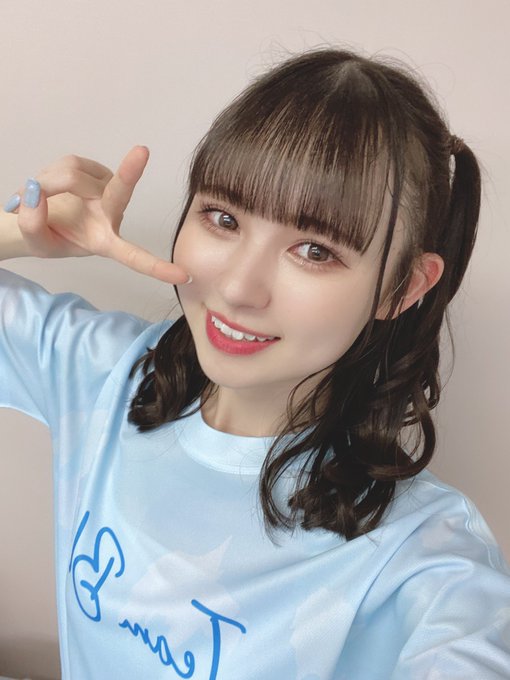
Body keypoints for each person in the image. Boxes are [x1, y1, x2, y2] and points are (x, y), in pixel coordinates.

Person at [1, 48, 509, 680]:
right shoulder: (107, 375)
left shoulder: (423, 559)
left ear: (401, 288)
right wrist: (18, 233)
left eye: (315, 251)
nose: (239, 288)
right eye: (223, 218)